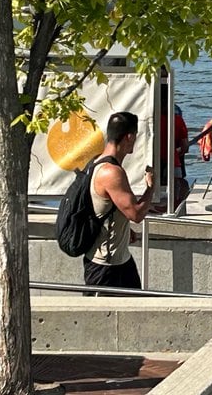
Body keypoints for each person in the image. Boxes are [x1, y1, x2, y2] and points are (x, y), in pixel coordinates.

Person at [85, 111, 155, 293]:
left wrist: (124, 228)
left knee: (136, 316)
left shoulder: (99, 162)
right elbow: (137, 214)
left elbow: (106, 208)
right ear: (129, 137)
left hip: (121, 259)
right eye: (136, 136)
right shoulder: (111, 172)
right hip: (106, 266)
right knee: (100, 319)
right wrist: (151, 187)